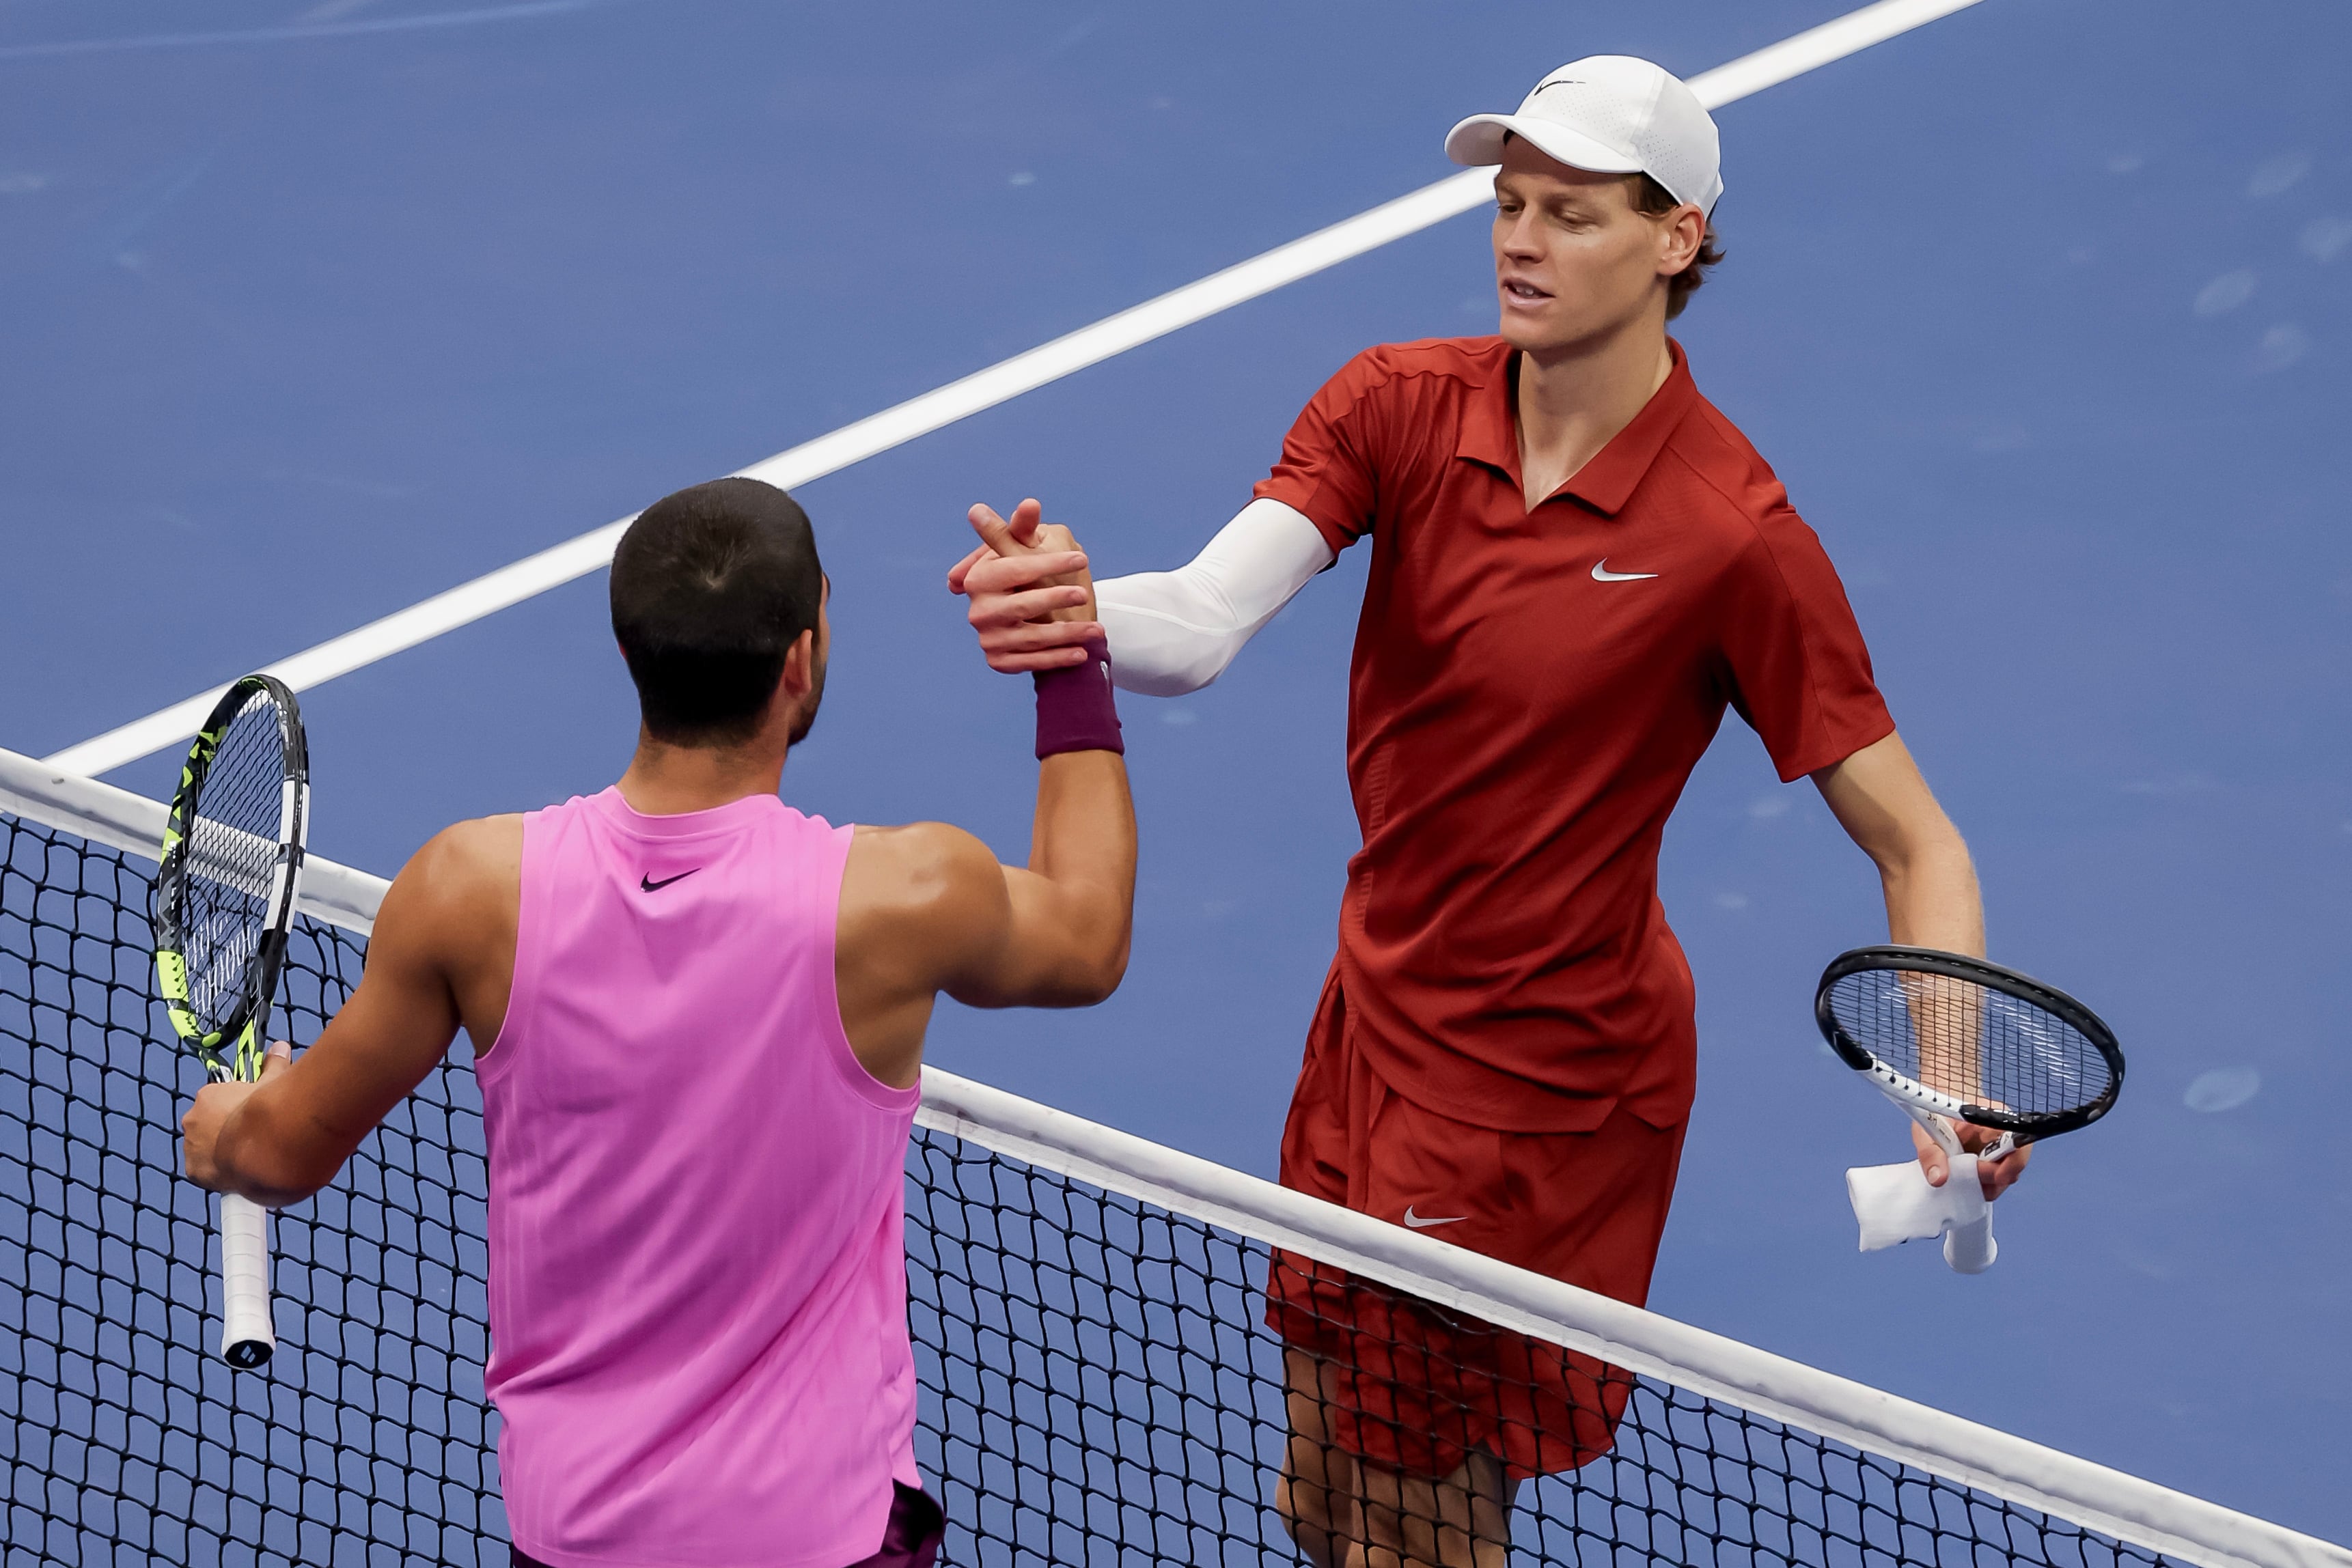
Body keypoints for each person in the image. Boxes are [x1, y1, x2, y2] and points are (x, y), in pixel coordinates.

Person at [948, 55, 2029, 1568]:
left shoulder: (1735, 540)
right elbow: (1196, 620)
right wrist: (1074, 605)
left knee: (1416, 1520)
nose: (1520, 239)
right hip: (1371, 1017)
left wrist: (1950, 1080)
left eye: (1572, 213)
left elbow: (1920, 841)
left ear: (1678, 239)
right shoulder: (1397, 403)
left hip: (1539, 1088)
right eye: (1510, 204)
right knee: (1320, 1491)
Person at [180, 478, 1135, 1568]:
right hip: (816, 1543)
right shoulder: (905, 898)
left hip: (578, 1541)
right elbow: (1088, 934)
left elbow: (276, 1151)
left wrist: (227, 1134)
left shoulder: (468, 890)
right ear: (802, 659)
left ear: (631, 658)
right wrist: (1069, 653)